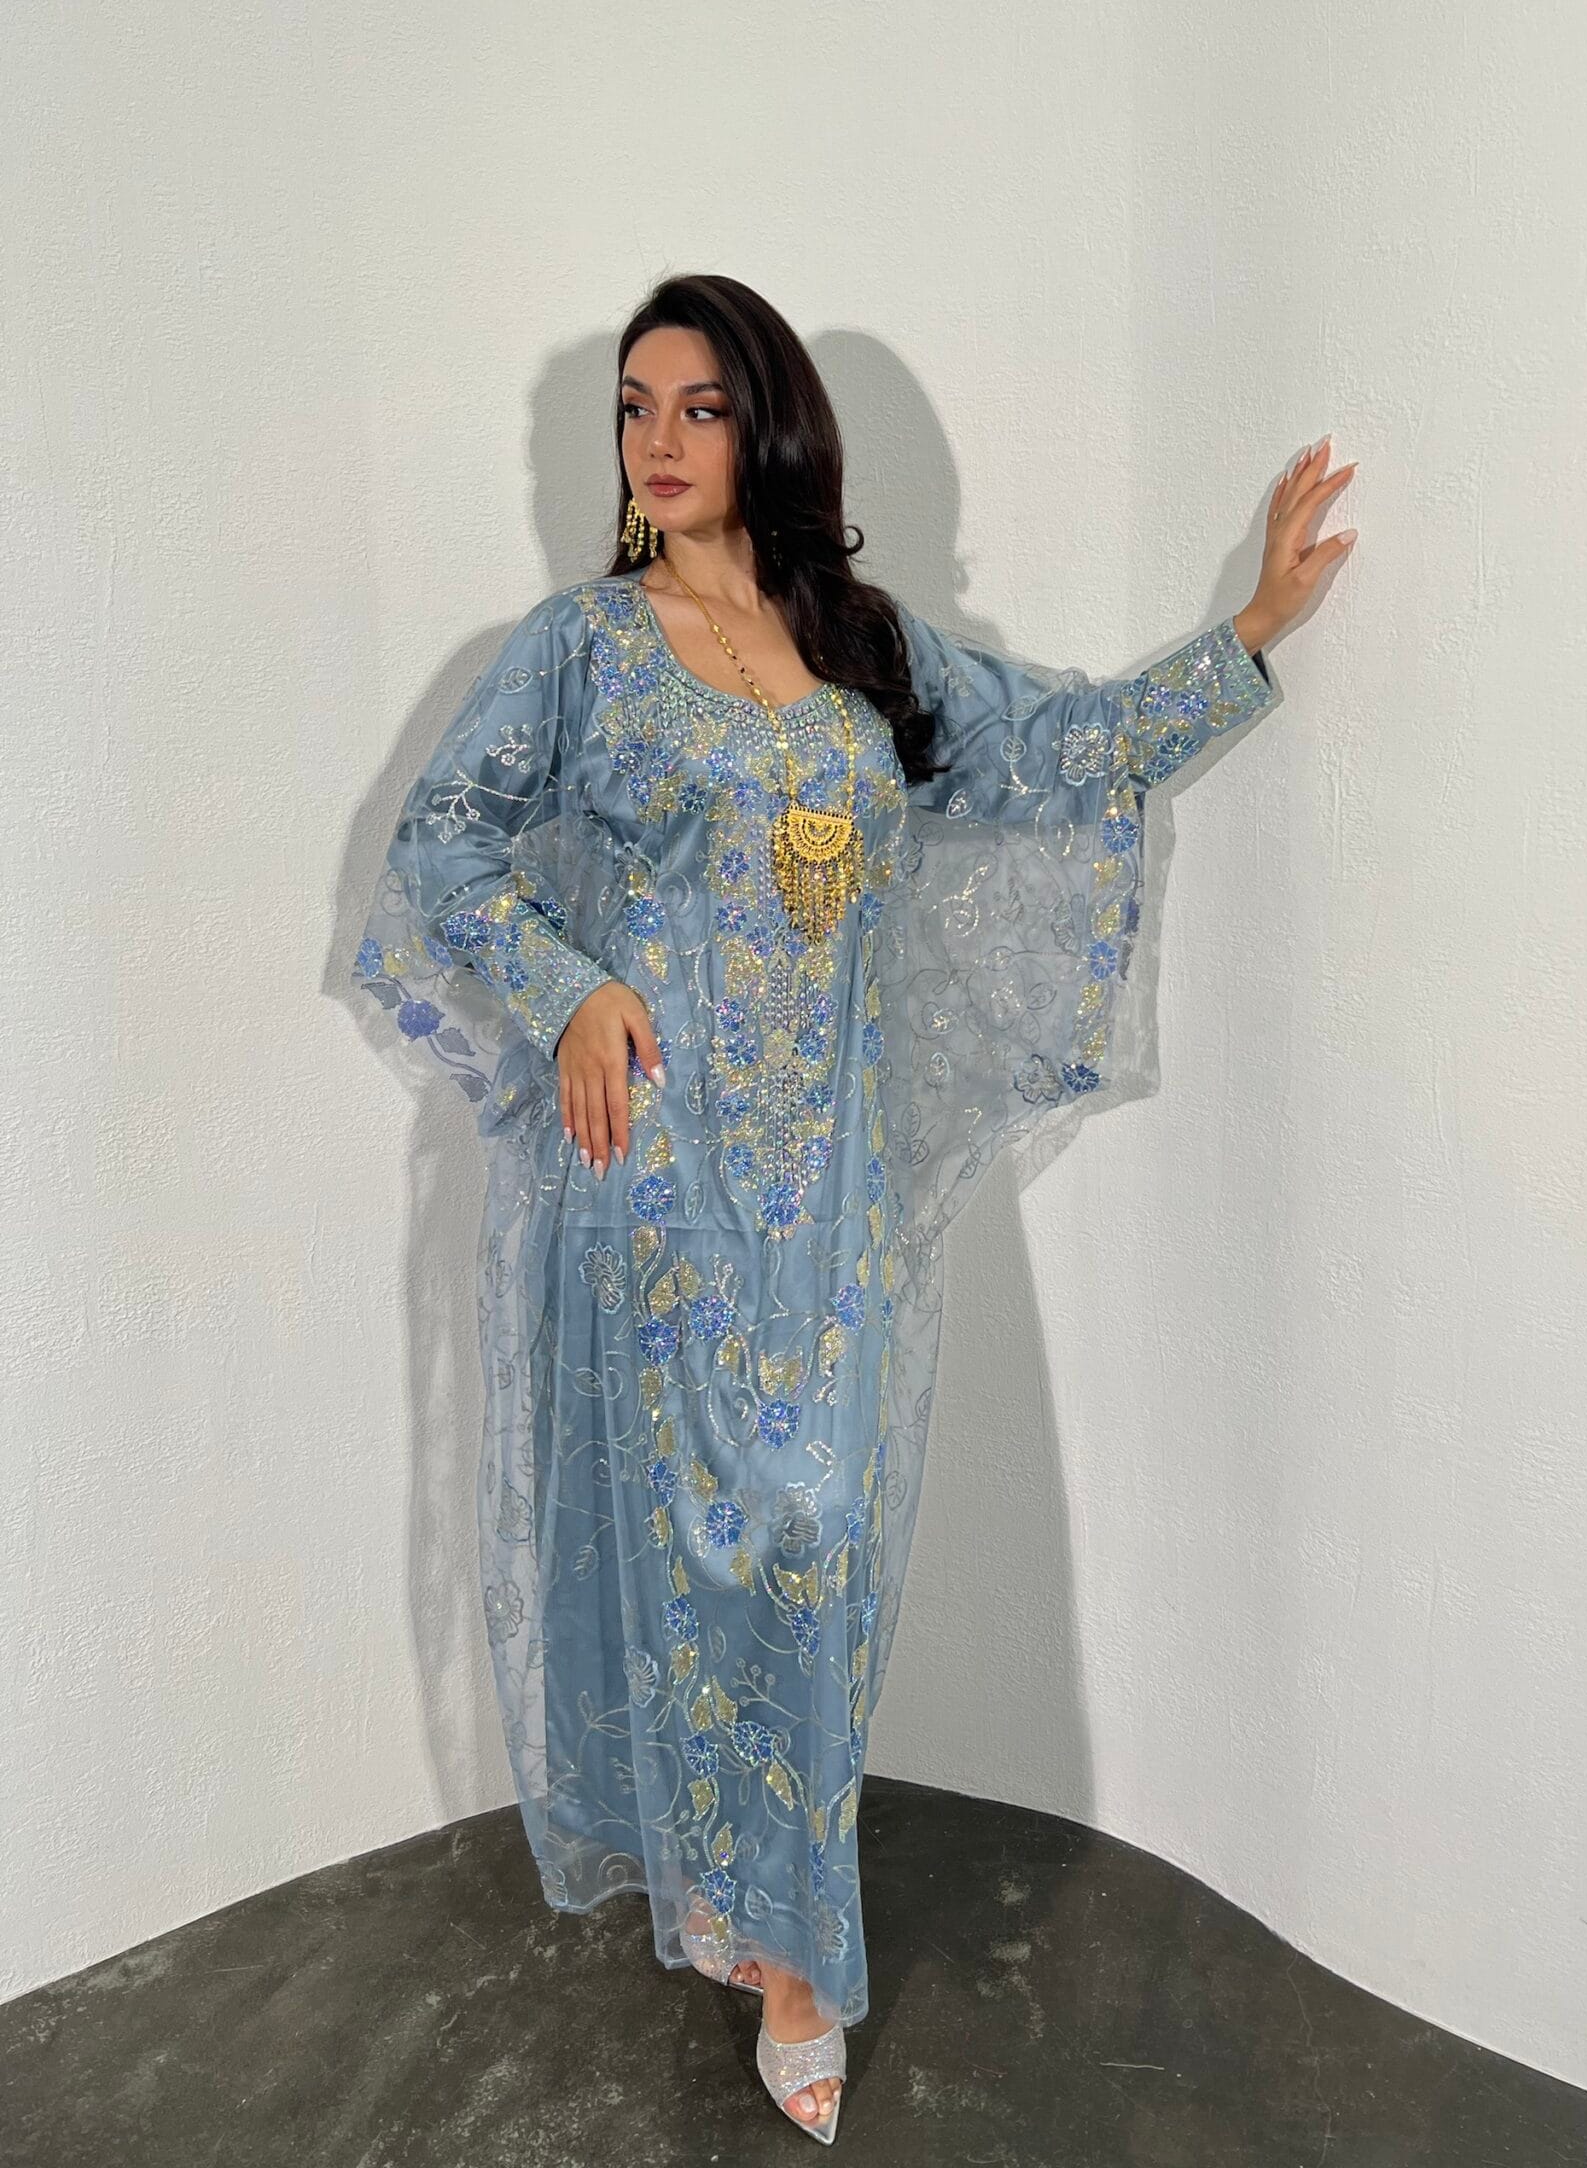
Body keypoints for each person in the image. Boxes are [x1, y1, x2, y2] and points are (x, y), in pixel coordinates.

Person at [354, 272, 1356, 2142]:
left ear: (770, 428)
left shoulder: (861, 646)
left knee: (820, 1536)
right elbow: (442, 850)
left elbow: (1050, 753)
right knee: (704, 1549)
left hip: (826, 1204)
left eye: (697, 406)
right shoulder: (580, 650)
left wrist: (1248, 634)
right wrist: (570, 986)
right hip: (656, 1192)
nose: (657, 441)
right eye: (632, 408)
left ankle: (777, 1916)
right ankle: (778, 1943)